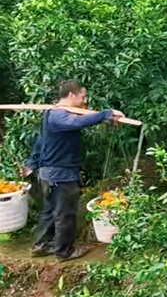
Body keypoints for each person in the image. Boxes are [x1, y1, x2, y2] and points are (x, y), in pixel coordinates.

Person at [25, 80, 123, 262]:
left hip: (49, 173)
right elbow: (77, 122)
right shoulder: (58, 116)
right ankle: (64, 252)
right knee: (65, 213)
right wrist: (106, 113)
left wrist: (105, 118)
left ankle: (41, 246)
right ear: (71, 95)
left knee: (50, 211)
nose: (84, 100)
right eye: (82, 96)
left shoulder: (52, 114)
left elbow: (76, 122)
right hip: (60, 174)